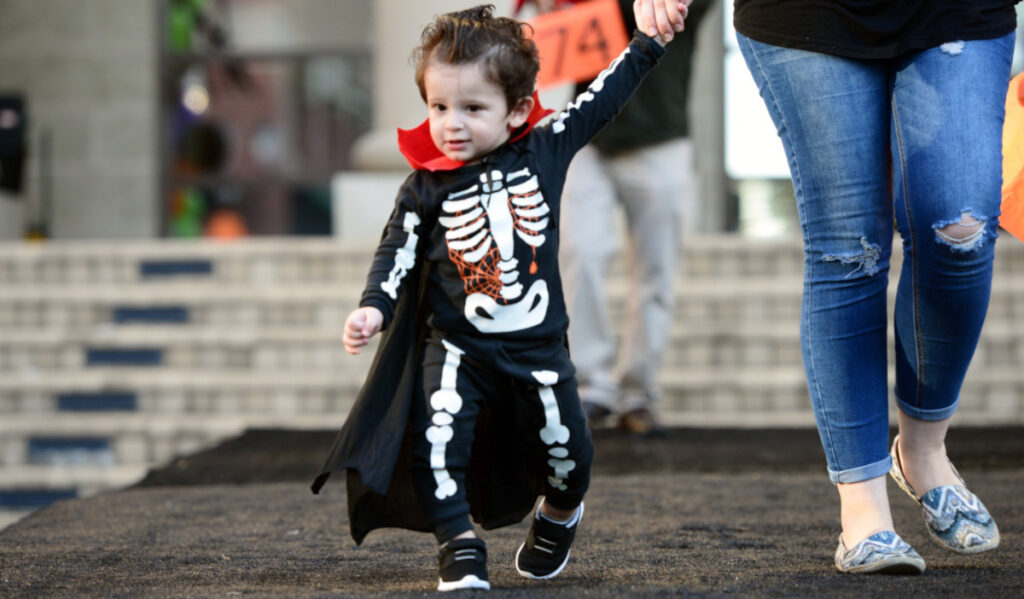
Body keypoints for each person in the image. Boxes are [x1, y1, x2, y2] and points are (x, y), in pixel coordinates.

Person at [639, 0, 1016, 575]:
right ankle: (863, 508)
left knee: (958, 227)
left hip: (957, 8)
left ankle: (922, 448)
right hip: (806, 15)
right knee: (849, 248)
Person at [311, 4, 671, 591]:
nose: (451, 123)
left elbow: (604, 96)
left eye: (473, 108)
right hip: (455, 345)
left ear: (517, 111)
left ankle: (558, 515)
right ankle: (459, 544)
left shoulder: (546, 148)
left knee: (570, 453)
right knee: (438, 441)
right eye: (439, 107)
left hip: (539, 347)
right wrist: (373, 307)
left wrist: (649, 41)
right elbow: (396, 252)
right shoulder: (425, 184)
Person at [553, 0, 710, 434]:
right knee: (579, 256)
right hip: (587, 134)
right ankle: (590, 388)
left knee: (655, 272)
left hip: (662, 138)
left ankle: (637, 394)